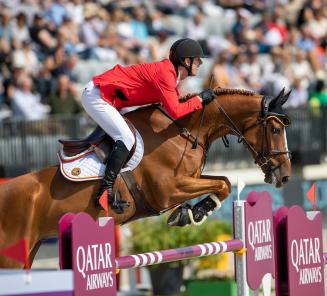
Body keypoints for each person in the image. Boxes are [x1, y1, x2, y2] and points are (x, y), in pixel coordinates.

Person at [80, 38, 216, 211]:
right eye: (197, 59)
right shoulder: (166, 74)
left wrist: (198, 100)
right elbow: (175, 111)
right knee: (127, 138)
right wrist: (200, 99)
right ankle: (104, 193)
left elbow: (175, 105)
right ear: (186, 61)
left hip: (110, 99)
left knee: (138, 135)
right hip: (98, 96)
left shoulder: (171, 75)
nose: (201, 62)